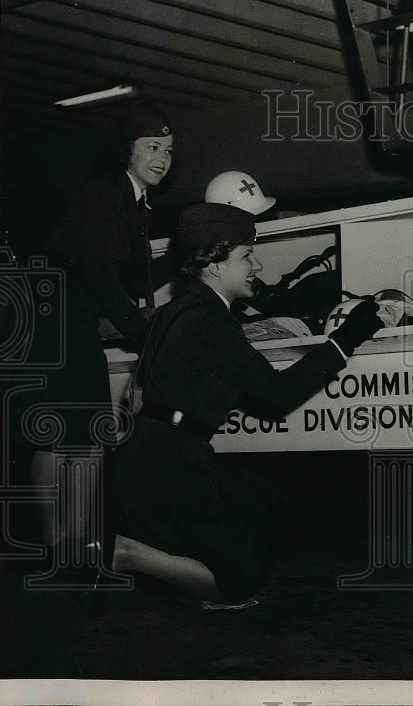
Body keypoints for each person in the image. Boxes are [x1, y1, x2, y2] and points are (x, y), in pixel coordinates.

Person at [106, 202, 382, 608]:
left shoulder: (175, 311)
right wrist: (347, 339)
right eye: (246, 255)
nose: (257, 264)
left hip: (147, 457)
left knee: (259, 497)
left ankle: (148, 549)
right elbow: (278, 396)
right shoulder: (212, 322)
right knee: (237, 585)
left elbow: (147, 385)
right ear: (214, 264)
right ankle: (126, 552)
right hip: (173, 464)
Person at [19, 103, 175, 577]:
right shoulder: (104, 194)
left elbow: (126, 277)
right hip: (54, 318)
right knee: (64, 432)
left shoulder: (134, 204)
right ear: (125, 152)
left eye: (168, 150)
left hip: (72, 319)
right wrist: (139, 327)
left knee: (85, 433)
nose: (163, 158)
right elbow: (99, 273)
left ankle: (81, 545)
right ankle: (60, 548)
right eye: (152, 147)